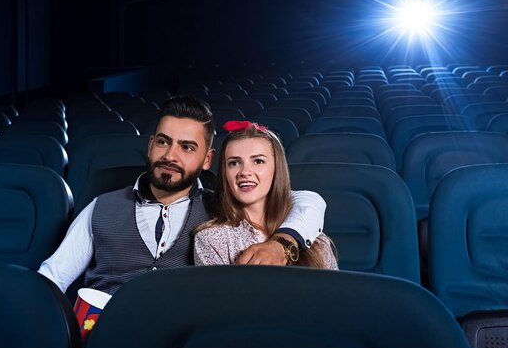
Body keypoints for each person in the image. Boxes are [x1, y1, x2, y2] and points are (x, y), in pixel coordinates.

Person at [38, 96, 327, 295]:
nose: (170, 156)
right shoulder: (101, 206)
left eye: (187, 147)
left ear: (207, 159)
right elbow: (51, 278)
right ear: (151, 145)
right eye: (163, 142)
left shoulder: (224, 209)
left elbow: (307, 201)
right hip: (103, 336)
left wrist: (283, 242)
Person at [194, 120, 338, 269]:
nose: (244, 172)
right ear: (225, 173)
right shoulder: (211, 240)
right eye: (234, 163)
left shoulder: (314, 238)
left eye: (258, 161)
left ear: (276, 169)